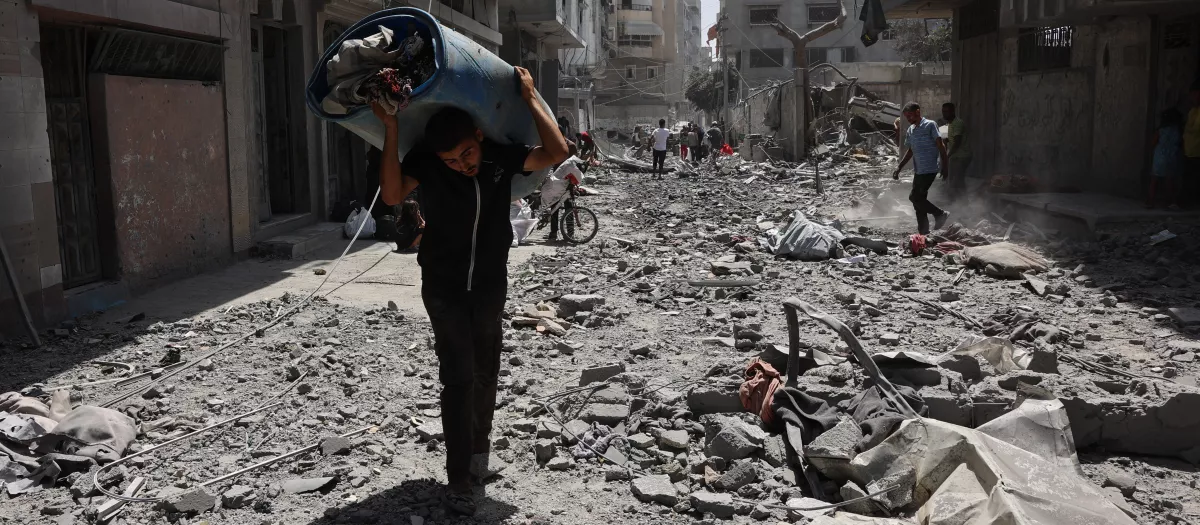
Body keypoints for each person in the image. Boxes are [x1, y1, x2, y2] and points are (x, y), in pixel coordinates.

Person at [372, 66, 569, 516]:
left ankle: (479, 456)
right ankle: (459, 477)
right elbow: (392, 195)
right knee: (458, 378)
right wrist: (391, 128)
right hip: (443, 289)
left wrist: (530, 95)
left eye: (466, 154)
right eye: (452, 161)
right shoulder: (427, 162)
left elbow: (557, 151)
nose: (463, 165)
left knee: (486, 372)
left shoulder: (498, 159)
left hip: (489, 287)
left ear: (479, 136)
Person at [893, 102, 950, 235]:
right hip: (919, 170)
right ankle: (923, 231)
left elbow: (941, 146)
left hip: (930, 169)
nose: (908, 119)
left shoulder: (930, 125)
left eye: (910, 115)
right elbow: (910, 151)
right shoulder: (911, 130)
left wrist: (945, 166)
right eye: (906, 116)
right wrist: (899, 167)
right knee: (918, 202)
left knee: (915, 197)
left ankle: (940, 214)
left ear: (918, 112)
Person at [1149, 108, 1184, 209]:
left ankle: (1150, 201)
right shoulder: (1178, 130)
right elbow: (1182, 143)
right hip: (1172, 157)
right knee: (1169, 181)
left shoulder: (1161, 130)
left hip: (1159, 157)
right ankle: (1170, 202)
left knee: (1154, 180)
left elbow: (1153, 142)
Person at [942, 102, 972, 200]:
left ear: (953, 112)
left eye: (946, 111)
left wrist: (947, 156)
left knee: (957, 181)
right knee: (955, 181)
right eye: (943, 111)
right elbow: (955, 139)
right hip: (956, 156)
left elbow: (957, 142)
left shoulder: (957, 123)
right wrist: (947, 140)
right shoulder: (951, 124)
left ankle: (962, 202)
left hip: (962, 156)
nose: (944, 114)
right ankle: (957, 201)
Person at [1186, 84, 1200, 207]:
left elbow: (1196, 129)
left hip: (1197, 150)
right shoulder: (1192, 111)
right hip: (1189, 150)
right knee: (1189, 177)